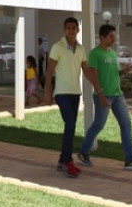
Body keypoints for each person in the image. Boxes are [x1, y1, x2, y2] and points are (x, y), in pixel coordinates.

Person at [77, 24, 132, 171]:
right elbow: (93, 77)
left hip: (118, 95)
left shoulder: (113, 54)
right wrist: (101, 95)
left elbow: (115, 73)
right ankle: (83, 152)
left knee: (126, 125)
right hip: (103, 95)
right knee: (98, 125)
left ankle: (130, 160)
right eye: (111, 37)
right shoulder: (95, 54)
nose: (113, 39)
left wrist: (124, 72)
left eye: (114, 36)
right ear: (102, 37)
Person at [44, 16, 105, 179]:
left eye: (74, 27)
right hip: (62, 93)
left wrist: (98, 89)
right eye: (68, 28)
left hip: (75, 93)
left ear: (78, 30)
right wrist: (48, 92)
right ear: (64, 30)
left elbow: (87, 71)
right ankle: (67, 161)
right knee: (70, 124)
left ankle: (61, 160)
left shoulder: (81, 49)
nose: (71, 30)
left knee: (70, 126)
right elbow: (49, 71)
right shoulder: (57, 47)